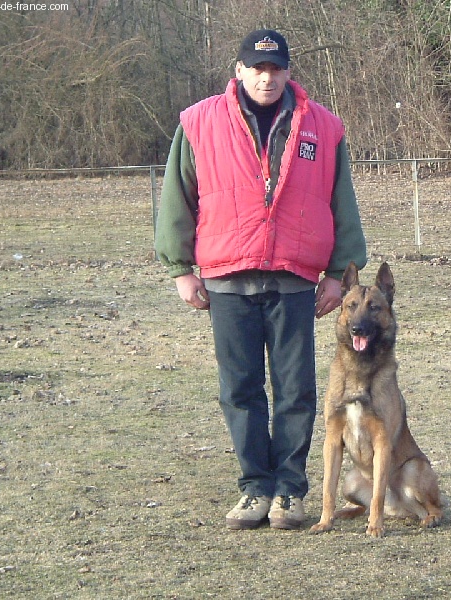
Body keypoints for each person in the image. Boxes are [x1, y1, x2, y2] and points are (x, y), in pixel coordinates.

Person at [154, 28, 367, 531]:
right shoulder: (199, 122)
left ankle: (289, 492)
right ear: (239, 70)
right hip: (228, 279)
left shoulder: (324, 127)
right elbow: (177, 199)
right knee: (241, 389)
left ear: (288, 71)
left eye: (275, 68)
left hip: (295, 281)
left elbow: (343, 205)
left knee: (296, 391)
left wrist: (340, 274)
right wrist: (180, 269)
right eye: (257, 68)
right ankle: (255, 488)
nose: (266, 78)